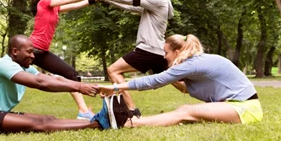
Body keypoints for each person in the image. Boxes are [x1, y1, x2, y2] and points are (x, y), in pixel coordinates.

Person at [98, 34, 263, 128]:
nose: (163, 57)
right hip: (240, 107)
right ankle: (129, 121)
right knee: (185, 110)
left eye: (166, 53)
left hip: (244, 109)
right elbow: (184, 88)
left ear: (176, 52)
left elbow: (154, 81)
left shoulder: (192, 64)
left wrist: (116, 87)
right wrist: (169, 76)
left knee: (185, 112)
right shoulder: (196, 61)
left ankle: (129, 123)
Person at [0, 35, 117, 133]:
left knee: (49, 118)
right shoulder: (4, 65)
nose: (33, 56)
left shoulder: (23, 66)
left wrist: (93, 87)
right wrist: (78, 87)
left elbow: (52, 79)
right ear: (15, 51)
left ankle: (95, 119)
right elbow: (40, 83)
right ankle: (97, 124)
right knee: (39, 124)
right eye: (29, 52)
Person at [94, 0, 174, 115]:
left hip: (148, 50)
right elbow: (129, 6)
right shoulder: (155, 4)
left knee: (113, 70)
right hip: (158, 51)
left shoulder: (158, 0)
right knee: (178, 79)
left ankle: (131, 109)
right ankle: (210, 93)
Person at [29, 0, 99, 119]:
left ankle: (83, 112)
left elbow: (74, 5)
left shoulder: (54, 7)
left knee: (71, 74)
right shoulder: (44, 2)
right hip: (31, 50)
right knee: (9, 75)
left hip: (41, 52)